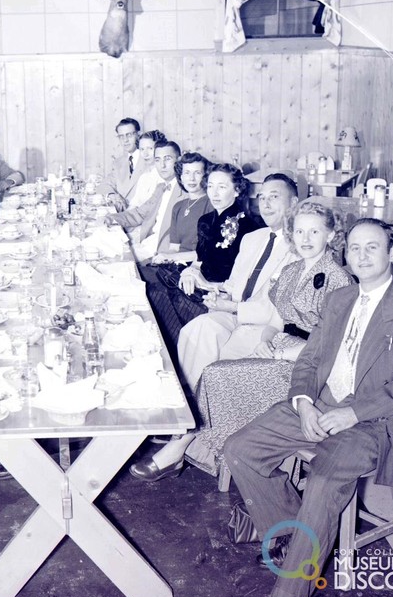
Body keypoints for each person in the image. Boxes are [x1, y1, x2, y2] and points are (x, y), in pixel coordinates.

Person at [225, 218, 393, 597]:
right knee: (239, 448)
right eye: (354, 248)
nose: (361, 255)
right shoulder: (339, 300)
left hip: (375, 424)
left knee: (323, 479)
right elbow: (308, 359)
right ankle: (298, 536)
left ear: (392, 253)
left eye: (372, 247)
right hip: (318, 406)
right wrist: (304, 401)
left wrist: (352, 413)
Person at [130, 200, 352, 481]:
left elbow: (333, 345)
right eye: (300, 232)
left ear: (331, 236)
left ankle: (182, 446)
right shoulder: (291, 271)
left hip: (308, 368)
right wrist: (267, 339)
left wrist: (282, 353)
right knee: (218, 369)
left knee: (216, 376)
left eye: (315, 232)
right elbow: (277, 319)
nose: (305, 239)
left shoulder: (338, 279)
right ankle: (193, 447)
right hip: (279, 348)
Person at [177, 173, 300, 391]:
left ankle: (207, 404)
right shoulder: (253, 238)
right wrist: (213, 291)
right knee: (197, 329)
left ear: (293, 203)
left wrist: (233, 307)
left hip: (266, 325)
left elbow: (276, 310)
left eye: (274, 197)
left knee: (224, 346)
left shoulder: (300, 247)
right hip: (234, 315)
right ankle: (191, 400)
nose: (266, 204)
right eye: (262, 198)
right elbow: (232, 286)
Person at [144, 163, 261, 350]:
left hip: (220, 295)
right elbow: (199, 260)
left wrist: (208, 284)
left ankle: (174, 356)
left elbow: (244, 281)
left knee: (157, 297)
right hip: (198, 285)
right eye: (211, 186)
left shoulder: (251, 228)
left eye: (222, 187)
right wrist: (190, 272)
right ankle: (172, 352)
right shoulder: (205, 221)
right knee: (152, 288)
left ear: (237, 190)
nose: (214, 193)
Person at [104, 139, 183, 260]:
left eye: (167, 159)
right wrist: (111, 218)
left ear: (178, 160)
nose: (162, 165)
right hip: (147, 243)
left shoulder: (185, 192)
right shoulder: (161, 187)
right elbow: (139, 214)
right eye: (158, 160)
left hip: (163, 252)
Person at [98, 117, 149, 208]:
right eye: (121, 136)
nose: (125, 140)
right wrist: (113, 195)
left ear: (138, 135)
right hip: (122, 215)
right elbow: (104, 185)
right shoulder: (118, 162)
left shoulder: (149, 159)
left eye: (129, 135)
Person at [125, 129, 167, 209]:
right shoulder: (144, 177)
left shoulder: (164, 177)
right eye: (142, 149)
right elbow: (134, 204)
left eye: (150, 148)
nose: (145, 154)